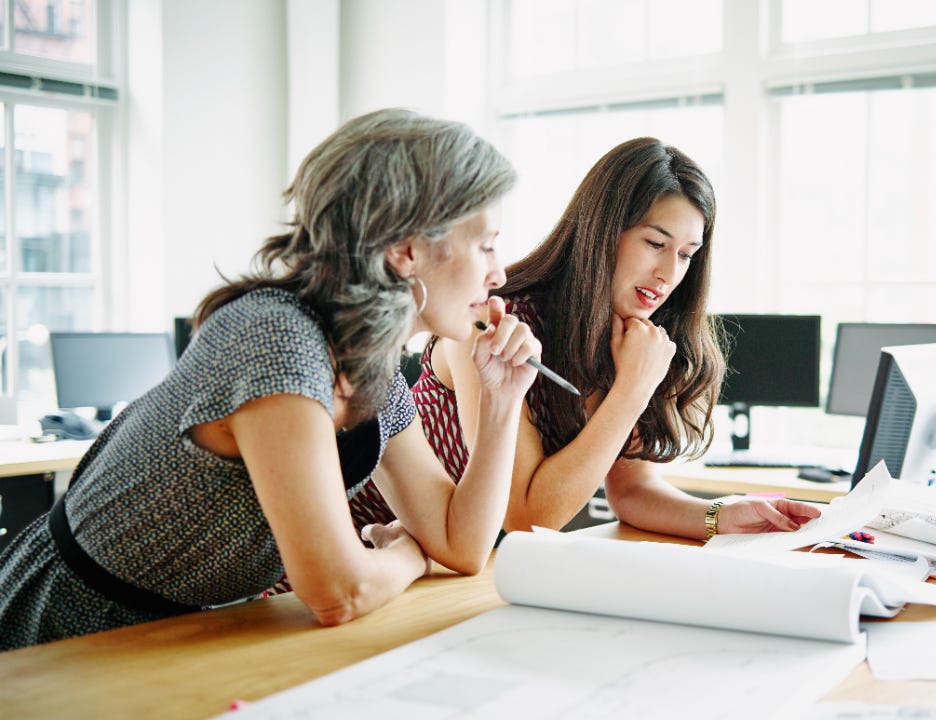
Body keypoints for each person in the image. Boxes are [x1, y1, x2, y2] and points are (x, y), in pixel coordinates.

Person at [0, 108, 540, 650]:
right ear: (406, 250)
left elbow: (461, 543)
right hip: (60, 626)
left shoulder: (371, 370)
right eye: (486, 244)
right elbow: (339, 591)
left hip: (187, 632)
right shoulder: (278, 341)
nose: (498, 274)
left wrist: (500, 401)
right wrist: (405, 555)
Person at [348, 137, 821, 542]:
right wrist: (632, 391)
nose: (668, 273)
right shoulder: (498, 323)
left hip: (458, 566)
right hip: (369, 548)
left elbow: (632, 490)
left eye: (686, 255)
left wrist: (721, 515)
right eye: (654, 244)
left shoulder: (635, 337)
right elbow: (527, 517)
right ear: (602, 231)